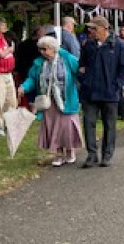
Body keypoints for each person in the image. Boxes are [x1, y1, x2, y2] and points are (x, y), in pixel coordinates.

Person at [17, 36, 82, 166]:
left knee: (67, 126)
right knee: (52, 127)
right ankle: (58, 154)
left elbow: (80, 71)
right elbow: (32, 78)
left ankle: (70, 151)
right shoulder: (39, 63)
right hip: (48, 101)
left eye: (44, 49)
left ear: (53, 49)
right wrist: (23, 87)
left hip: (66, 99)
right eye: (40, 49)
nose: (42, 52)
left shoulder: (67, 58)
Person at [78, 16, 124, 168]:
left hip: (110, 92)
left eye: (94, 28)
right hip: (90, 92)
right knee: (89, 123)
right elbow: (81, 65)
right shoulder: (88, 45)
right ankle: (92, 154)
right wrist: (83, 78)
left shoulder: (118, 45)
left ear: (105, 29)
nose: (91, 31)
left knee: (109, 125)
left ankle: (107, 155)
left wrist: (116, 85)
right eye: (91, 28)